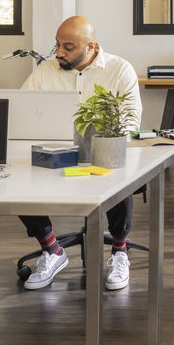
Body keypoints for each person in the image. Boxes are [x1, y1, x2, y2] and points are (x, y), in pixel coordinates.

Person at [18, 16, 143, 292]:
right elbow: (22, 111)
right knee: (13, 180)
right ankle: (52, 249)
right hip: (57, 154)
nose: (59, 53)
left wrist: (104, 143)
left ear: (91, 47)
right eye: (57, 45)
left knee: (118, 171)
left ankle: (120, 252)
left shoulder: (119, 70)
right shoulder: (45, 71)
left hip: (101, 155)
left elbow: (130, 122)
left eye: (68, 47)